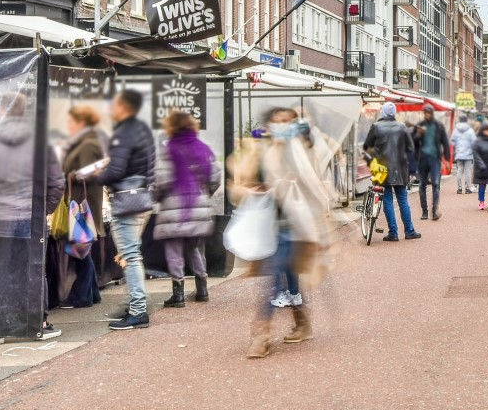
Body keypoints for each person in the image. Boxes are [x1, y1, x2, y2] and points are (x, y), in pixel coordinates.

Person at [229, 105, 333, 358]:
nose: (284, 125)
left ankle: (261, 335)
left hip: (295, 226)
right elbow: (240, 184)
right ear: (269, 125)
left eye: (289, 121)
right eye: (279, 121)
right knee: (284, 278)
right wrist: (254, 190)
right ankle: (301, 323)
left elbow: (316, 189)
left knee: (276, 278)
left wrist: (320, 229)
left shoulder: (305, 152)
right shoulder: (259, 152)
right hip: (267, 225)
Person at [0, 93, 63, 341]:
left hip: (0, 215)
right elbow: (57, 182)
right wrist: (45, 210)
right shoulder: (41, 143)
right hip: (32, 215)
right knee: (34, 268)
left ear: (0, 111)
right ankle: (37, 323)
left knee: (0, 270)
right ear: (23, 111)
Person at [95, 88, 157, 330]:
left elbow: (117, 170)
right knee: (131, 255)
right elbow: (150, 168)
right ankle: (133, 303)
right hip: (142, 197)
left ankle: (138, 310)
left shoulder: (123, 132)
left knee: (130, 257)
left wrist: (99, 175)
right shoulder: (142, 130)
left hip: (125, 200)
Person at [153, 110, 218, 308]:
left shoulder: (169, 150)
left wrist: (158, 198)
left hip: (174, 211)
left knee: (174, 251)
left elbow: (161, 181)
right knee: (195, 249)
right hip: (198, 209)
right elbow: (215, 179)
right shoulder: (204, 149)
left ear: (171, 127)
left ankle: (178, 295)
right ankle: (202, 290)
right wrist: (203, 194)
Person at [58, 105, 107, 310]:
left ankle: (81, 296)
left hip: (80, 206)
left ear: (81, 123)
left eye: (71, 121)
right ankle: (92, 293)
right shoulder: (88, 141)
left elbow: (86, 174)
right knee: (82, 249)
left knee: (80, 251)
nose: (68, 125)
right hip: (84, 204)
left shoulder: (86, 144)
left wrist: (68, 176)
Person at [363, 102, 421, 241]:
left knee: (387, 200)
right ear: (394, 112)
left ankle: (393, 233)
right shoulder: (402, 127)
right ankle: (409, 231)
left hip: (382, 170)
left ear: (382, 112)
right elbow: (411, 148)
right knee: (402, 200)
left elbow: (367, 146)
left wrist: (375, 154)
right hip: (400, 169)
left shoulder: (376, 126)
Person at [412, 105, 450, 221]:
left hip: (435, 159)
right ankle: (424, 211)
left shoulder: (438, 126)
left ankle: (434, 211)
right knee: (422, 185)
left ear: (432, 113)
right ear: (424, 113)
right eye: (425, 113)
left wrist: (447, 159)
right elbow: (412, 141)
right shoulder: (419, 125)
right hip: (422, 159)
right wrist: (418, 135)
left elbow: (445, 142)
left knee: (435, 183)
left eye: (429, 113)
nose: (427, 115)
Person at [451, 114, 477, 194]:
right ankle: (467, 189)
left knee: (459, 170)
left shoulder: (456, 130)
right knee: (467, 171)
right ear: (466, 120)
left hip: (459, 153)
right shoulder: (470, 130)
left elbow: (452, 141)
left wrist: (457, 148)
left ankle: (459, 188)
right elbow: (474, 142)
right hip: (468, 154)